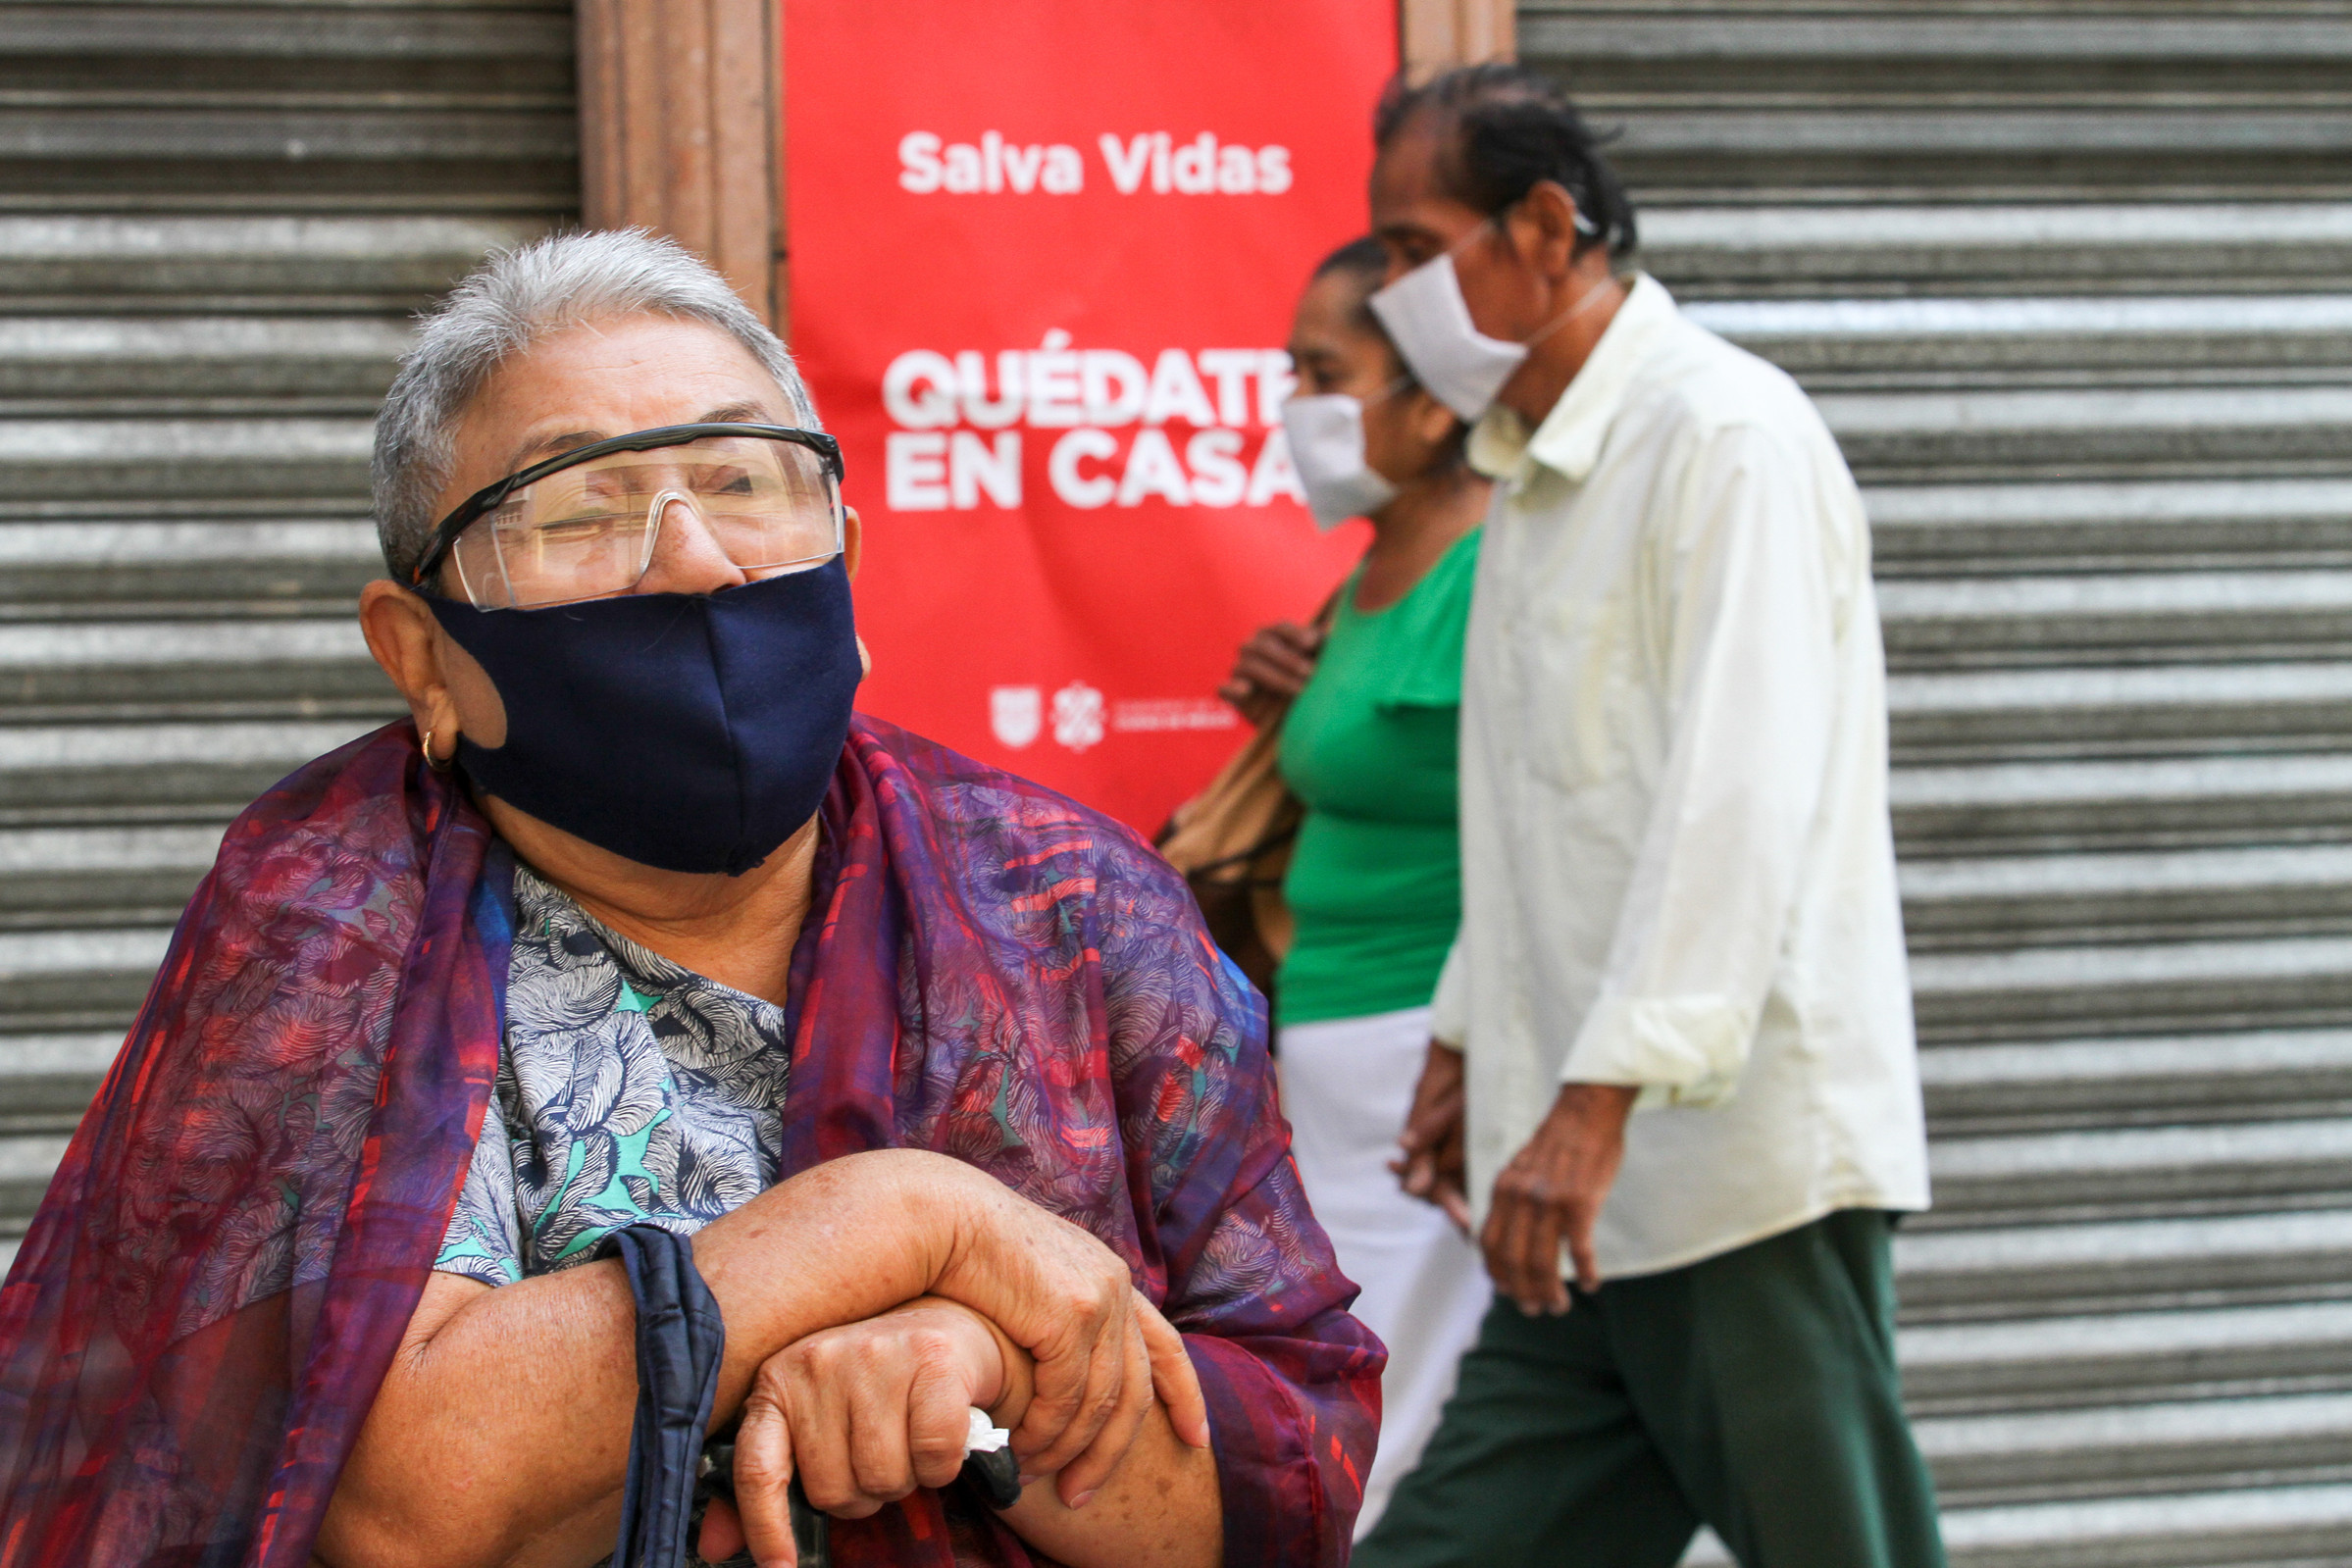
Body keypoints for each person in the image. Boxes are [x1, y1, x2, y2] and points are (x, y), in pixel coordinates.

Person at [0, 230, 1381, 1568]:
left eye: (738, 482)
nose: (692, 561)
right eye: (576, 509)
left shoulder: (1073, 905)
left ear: (842, 551)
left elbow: (1283, 1470)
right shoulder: (327, 929)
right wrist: (899, 1221)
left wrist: (979, 1380)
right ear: (419, 656)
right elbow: (404, 1505)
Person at [1354, 67, 1944, 1568]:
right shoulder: (1533, 479)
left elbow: (1735, 798)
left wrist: (1595, 1095)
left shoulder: (1723, 438)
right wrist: (1472, 1036)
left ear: (1543, 228)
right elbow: (1540, 807)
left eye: (1416, 251)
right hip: (1575, 1191)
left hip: (1723, 1175)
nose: (1394, 296)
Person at [1218, 236, 1489, 1535]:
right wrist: (1296, 699)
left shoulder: (1491, 571)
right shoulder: (1371, 578)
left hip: (1418, 1065)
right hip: (1333, 1061)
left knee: (1388, 1424)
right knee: (1358, 1399)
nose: (1295, 402)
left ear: (1433, 398)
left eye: (1322, 372)